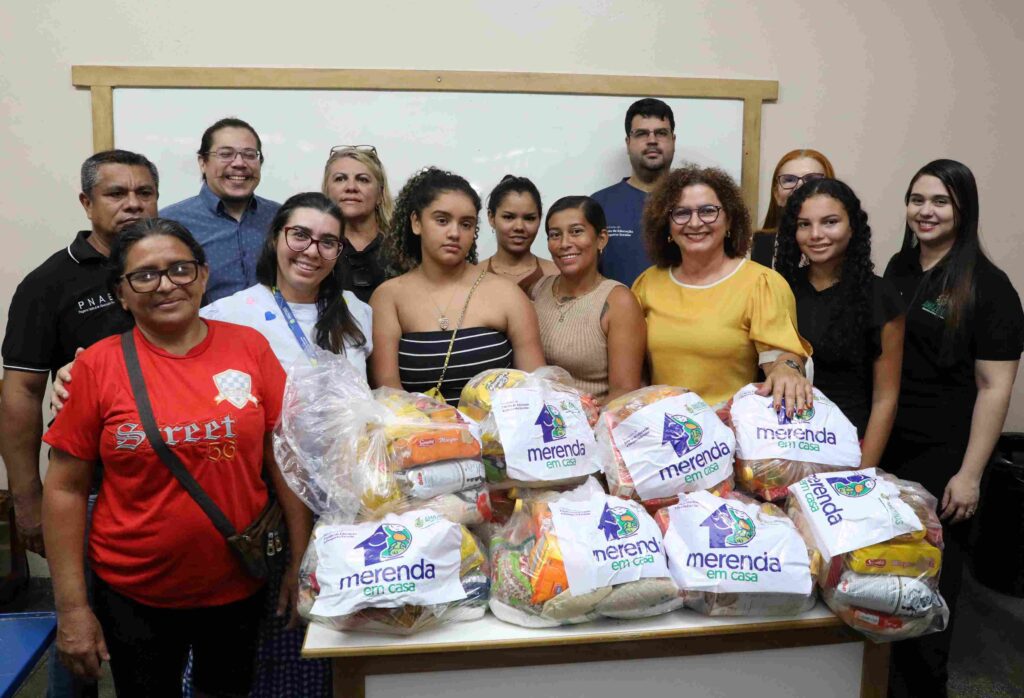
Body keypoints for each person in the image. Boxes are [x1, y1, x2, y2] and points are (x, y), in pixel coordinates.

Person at [40, 218, 311, 698]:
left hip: (238, 583)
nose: (166, 284)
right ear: (121, 294)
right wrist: (73, 610)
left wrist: (297, 563)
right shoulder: (97, 366)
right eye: (144, 275)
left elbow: (282, 458)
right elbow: (64, 488)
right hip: (133, 592)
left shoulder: (248, 347)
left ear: (203, 276)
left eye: (180, 269)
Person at [0, 149, 158, 698]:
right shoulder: (50, 282)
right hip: (85, 491)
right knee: (79, 637)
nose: (133, 204)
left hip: (159, 488)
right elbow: (21, 391)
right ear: (87, 202)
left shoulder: (170, 268)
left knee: (149, 640)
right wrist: (26, 498)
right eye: (117, 194)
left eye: (144, 193)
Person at [201, 191, 368, 696]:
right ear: (276, 238)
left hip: (345, 502)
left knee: (338, 632)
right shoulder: (228, 314)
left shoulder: (358, 313)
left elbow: (379, 404)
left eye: (328, 242)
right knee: (271, 631)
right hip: (262, 504)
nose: (311, 251)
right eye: (300, 235)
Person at [881, 159, 1023, 698]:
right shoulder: (898, 268)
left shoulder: (989, 286)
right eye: (917, 199)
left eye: (940, 201)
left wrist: (970, 474)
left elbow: (995, 388)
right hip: (890, 448)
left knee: (930, 589)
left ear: (963, 210)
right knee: (884, 578)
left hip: (944, 458)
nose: (926, 211)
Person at [633, 164, 813, 411]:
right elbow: (634, 369)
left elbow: (783, 357)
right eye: (681, 213)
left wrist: (787, 369)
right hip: (661, 432)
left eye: (708, 211)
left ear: (730, 220)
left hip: (729, 434)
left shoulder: (761, 283)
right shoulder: (647, 284)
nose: (695, 223)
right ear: (667, 225)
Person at [371, 167, 545, 405]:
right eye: (442, 220)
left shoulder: (506, 294)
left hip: (498, 437)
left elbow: (536, 384)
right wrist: (438, 429)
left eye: (466, 224)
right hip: (415, 435)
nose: (454, 233)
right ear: (416, 222)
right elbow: (387, 388)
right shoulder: (389, 297)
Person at [775, 178, 905, 467]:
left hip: (847, 450)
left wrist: (863, 472)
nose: (816, 234)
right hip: (780, 447)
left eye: (830, 222)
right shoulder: (779, 289)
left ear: (852, 227)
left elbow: (886, 399)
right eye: (804, 224)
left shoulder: (880, 296)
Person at [531, 195, 645, 404]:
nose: (564, 243)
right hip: (544, 422)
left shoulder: (619, 302)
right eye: (555, 235)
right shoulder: (539, 289)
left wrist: (588, 423)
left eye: (576, 232)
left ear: (601, 238)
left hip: (595, 427)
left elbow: (624, 393)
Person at [161, 117, 280, 304]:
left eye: (250, 155)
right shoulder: (169, 222)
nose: (239, 163)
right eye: (226, 154)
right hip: (203, 330)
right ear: (203, 162)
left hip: (275, 329)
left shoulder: (281, 217)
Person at [592, 98, 676, 287]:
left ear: (673, 140)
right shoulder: (598, 204)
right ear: (628, 142)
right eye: (641, 134)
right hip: (613, 315)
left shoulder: (694, 204)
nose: (652, 140)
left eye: (661, 133)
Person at [321, 145, 395, 303]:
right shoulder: (313, 249)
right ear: (327, 191)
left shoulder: (404, 252)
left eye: (363, 179)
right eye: (340, 179)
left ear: (380, 195)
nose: (351, 187)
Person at [751, 149, 836, 268]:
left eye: (812, 179)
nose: (800, 187)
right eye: (789, 180)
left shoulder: (844, 242)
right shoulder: (754, 247)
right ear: (776, 194)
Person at [480, 175, 557, 293]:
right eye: (508, 217)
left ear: (540, 219)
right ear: (491, 217)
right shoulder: (474, 276)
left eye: (529, 218)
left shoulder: (556, 275)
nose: (519, 227)